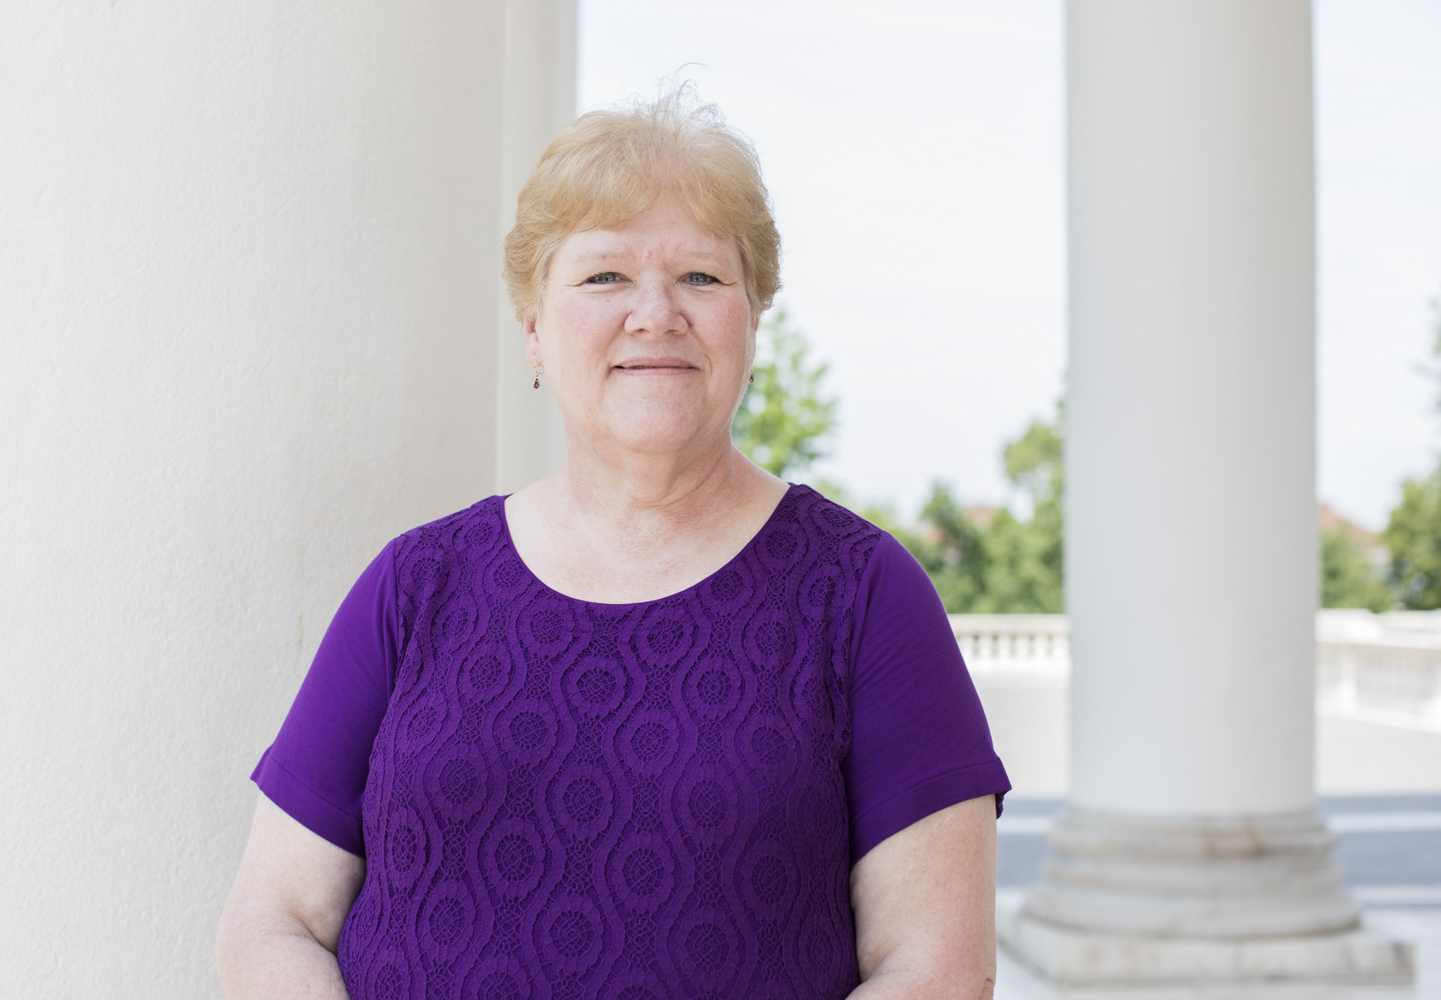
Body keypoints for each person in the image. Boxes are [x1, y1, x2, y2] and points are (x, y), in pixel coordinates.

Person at [217, 91, 1010, 1000]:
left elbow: (938, 970)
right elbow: (271, 918)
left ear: (753, 321)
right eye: (603, 278)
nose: (655, 313)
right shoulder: (417, 585)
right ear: (534, 332)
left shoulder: (864, 596)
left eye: (702, 278)